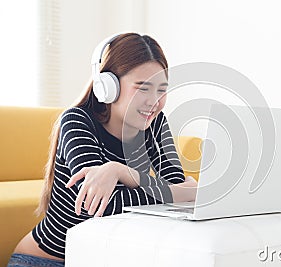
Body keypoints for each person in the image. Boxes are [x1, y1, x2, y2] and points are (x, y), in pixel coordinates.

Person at [7, 32, 197, 267]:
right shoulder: (77, 121)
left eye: (161, 90)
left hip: (101, 259)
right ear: (108, 86)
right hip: (44, 261)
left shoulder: (155, 122)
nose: (154, 101)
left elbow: (176, 191)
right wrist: (185, 192)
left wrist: (121, 172)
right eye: (143, 88)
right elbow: (102, 207)